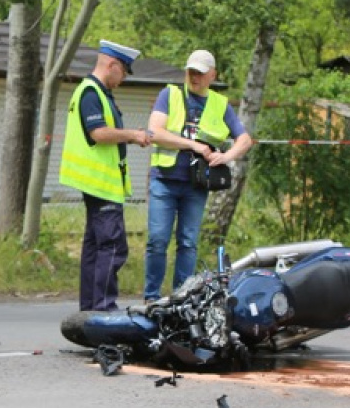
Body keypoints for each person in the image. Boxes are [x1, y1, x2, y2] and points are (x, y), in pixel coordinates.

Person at [143, 50, 252, 301]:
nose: (194, 77)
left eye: (201, 73)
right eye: (191, 72)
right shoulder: (169, 94)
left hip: (196, 184)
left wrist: (226, 157)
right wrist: (192, 145)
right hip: (165, 180)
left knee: (188, 242)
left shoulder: (219, 103)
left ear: (212, 75)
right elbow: (154, 132)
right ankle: (152, 297)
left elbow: (244, 140)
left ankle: (182, 298)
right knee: (157, 240)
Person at [59, 40, 151, 311]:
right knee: (112, 247)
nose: (122, 79)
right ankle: (104, 309)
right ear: (112, 65)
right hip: (100, 183)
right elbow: (98, 133)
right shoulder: (91, 92)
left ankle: (89, 310)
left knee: (94, 248)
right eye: (123, 72)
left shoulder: (96, 92)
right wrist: (133, 135)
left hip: (99, 183)